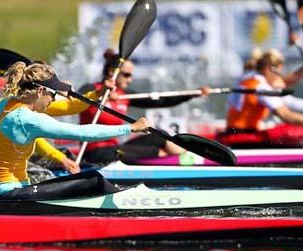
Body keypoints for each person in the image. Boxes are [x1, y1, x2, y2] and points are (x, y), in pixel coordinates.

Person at [0, 62, 150, 200]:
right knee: (92, 179)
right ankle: (131, 204)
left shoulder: (4, 104)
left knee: (74, 182)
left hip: (3, 190)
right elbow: (84, 133)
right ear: (40, 91)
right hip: (9, 195)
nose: (53, 100)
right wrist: (131, 128)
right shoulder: (27, 119)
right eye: (53, 94)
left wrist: (97, 93)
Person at [77, 49, 207, 164]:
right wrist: (100, 95)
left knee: (160, 135)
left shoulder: (124, 95)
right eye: (126, 75)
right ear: (112, 72)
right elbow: (75, 99)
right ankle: (185, 163)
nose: (130, 80)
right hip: (95, 153)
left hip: (115, 149)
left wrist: (192, 94)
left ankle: (190, 158)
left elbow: (160, 101)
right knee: (157, 151)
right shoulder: (90, 89)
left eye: (131, 75)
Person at [222, 50, 303, 147]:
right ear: (268, 69)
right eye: (278, 73)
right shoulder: (262, 88)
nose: (279, 77)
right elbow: (285, 115)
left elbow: (285, 82)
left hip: (231, 133)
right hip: (244, 139)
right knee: (295, 135)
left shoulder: (246, 78)